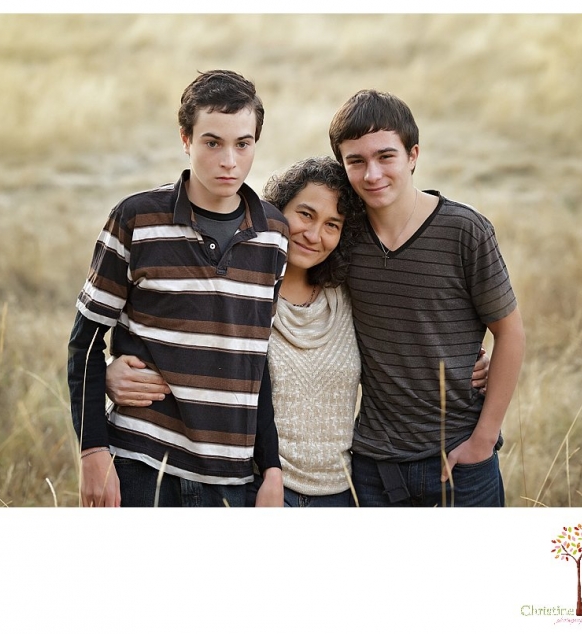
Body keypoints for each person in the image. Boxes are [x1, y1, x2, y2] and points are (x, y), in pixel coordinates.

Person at [106, 157, 491, 506]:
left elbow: (404, 337)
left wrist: (465, 364)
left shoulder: (346, 297)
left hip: (342, 492)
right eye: (305, 215)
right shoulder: (246, 289)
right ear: (277, 210)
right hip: (262, 488)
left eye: (332, 225)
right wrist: (112, 371)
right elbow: (182, 339)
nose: (314, 234)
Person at [66, 69, 289, 507]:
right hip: (141, 465)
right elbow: (85, 344)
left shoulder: (273, 235)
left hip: (233, 479)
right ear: (186, 139)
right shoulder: (137, 219)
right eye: (213, 143)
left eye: (243, 144)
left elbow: (253, 362)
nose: (230, 161)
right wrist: (93, 451)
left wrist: (272, 469)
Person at [328, 89, 525, 506]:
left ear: (413, 155)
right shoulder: (341, 236)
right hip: (373, 468)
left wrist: (482, 441)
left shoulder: (464, 231)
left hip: (461, 460)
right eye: (356, 161)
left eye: (386, 156)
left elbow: (510, 334)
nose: (372, 174)